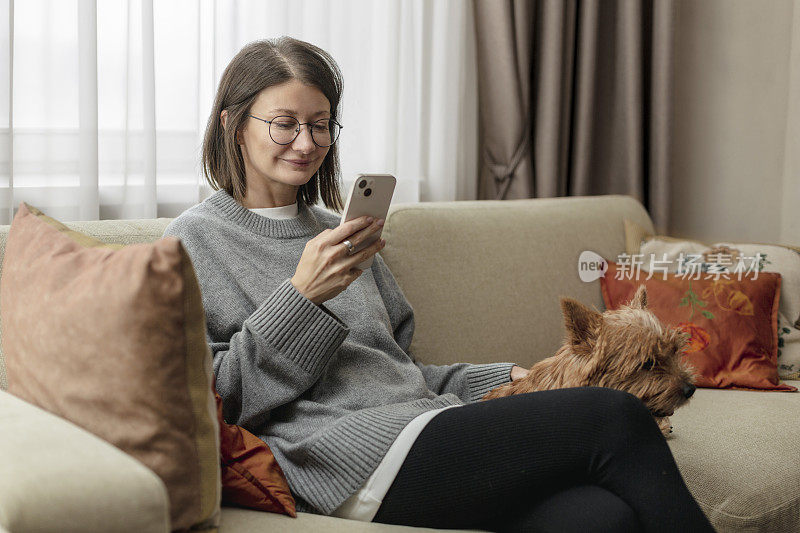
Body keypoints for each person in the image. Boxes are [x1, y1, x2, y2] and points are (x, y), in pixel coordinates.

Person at [164, 37, 714, 533]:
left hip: (426, 426)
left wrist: (501, 377)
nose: (306, 142)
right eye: (284, 123)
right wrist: (300, 300)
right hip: (343, 458)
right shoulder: (193, 242)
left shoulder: (342, 233)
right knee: (611, 414)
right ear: (232, 123)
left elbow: (395, 369)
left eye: (321, 123)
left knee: (602, 518)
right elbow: (215, 399)